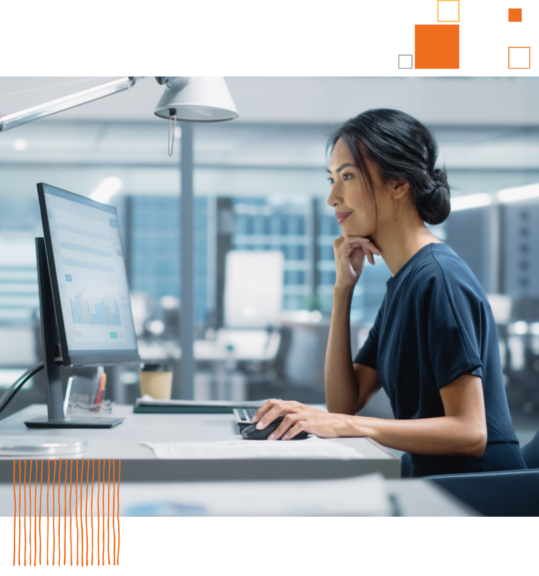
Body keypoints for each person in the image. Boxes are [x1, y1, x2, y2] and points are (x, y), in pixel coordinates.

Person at [252, 108, 527, 478]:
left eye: (347, 176)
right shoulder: (405, 282)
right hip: (430, 481)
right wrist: (342, 291)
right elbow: (344, 402)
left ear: (398, 184)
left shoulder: (439, 279)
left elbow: (470, 431)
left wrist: (350, 426)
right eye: (331, 179)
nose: (333, 197)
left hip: (477, 494)